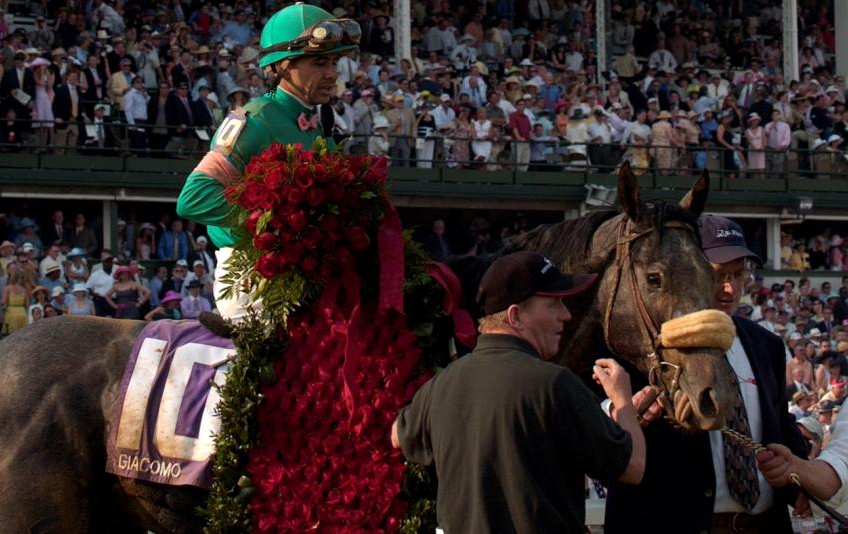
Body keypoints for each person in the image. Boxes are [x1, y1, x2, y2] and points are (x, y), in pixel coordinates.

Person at [392, 251, 646, 532]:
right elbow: (633, 467)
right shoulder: (554, 385)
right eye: (554, 303)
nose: (566, 314)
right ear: (516, 316)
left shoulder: (441, 385)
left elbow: (396, 435)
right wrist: (623, 402)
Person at [605, 215, 808, 533]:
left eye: (738, 275)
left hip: (763, 523)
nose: (729, 289)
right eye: (718, 275)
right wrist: (625, 412)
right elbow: (594, 422)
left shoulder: (766, 344)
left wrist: (800, 478)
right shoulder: (644, 343)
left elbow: (779, 425)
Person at [176, 3, 358, 330]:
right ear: (283, 66)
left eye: (334, 61)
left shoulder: (323, 125)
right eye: (319, 62)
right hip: (253, 284)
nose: (332, 73)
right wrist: (277, 228)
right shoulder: (252, 120)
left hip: (307, 280)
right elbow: (193, 198)